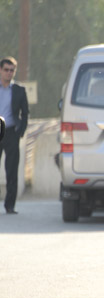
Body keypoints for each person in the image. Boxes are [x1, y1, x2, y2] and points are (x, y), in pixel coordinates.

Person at [0, 56, 28, 214]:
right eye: (6, 70)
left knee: (11, 170)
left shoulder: (19, 90)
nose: (9, 73)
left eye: (12, 70)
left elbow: (25, 113)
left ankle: (10, 205)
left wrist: (21, 131)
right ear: (0, 70)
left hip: (11, 132)